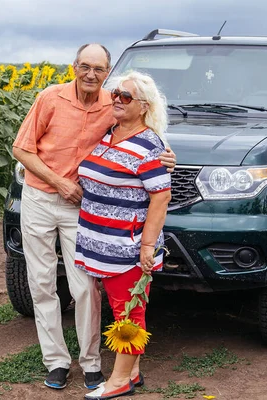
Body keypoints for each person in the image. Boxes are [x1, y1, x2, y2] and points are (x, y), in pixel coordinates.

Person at [12, 44, 176, 391]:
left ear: (107, 71)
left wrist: (165, 157)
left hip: (81, 208)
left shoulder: (113, 106)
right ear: (74, 66)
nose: (91, 75)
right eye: (84, 66)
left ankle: (91, 363)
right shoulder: (50, 99)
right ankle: (56, 360)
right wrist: (59, 183)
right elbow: (21, 148)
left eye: (99, 70)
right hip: (41, 197)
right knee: (41, 283)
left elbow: (145, 142)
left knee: (85, 287)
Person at [77, 71, 171, 400]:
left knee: (129, 312)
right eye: (115, 93)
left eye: (126, 97)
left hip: (126, 246)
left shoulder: (148, 145)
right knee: (124, 309)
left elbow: (161, 196)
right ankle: (132, 370)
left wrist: (147, 246)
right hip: (101, 242)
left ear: (143, 106)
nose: (116, 99)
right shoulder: (109, 134)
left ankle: (118, 381)